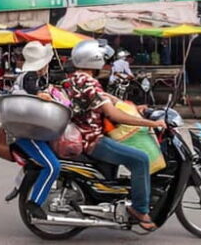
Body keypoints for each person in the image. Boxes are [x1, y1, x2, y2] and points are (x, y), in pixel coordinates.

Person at [63, 40, 166, 232]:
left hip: (84, 134)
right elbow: (113, 114)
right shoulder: (88, 82)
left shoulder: (75, 78)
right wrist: (152, 123)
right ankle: (139, 209)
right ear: (93, 60)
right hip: (93, 140)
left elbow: (107, 99)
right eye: (102, 58)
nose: (104, 62)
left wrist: (133, 108)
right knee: (140, 159)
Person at [10, 41, 58, 220]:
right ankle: (35, 202)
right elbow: (35, 93)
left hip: (28, 129)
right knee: (53, 167)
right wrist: (44, 95)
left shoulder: (25, 76)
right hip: (27, 133)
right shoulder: (30, 76)